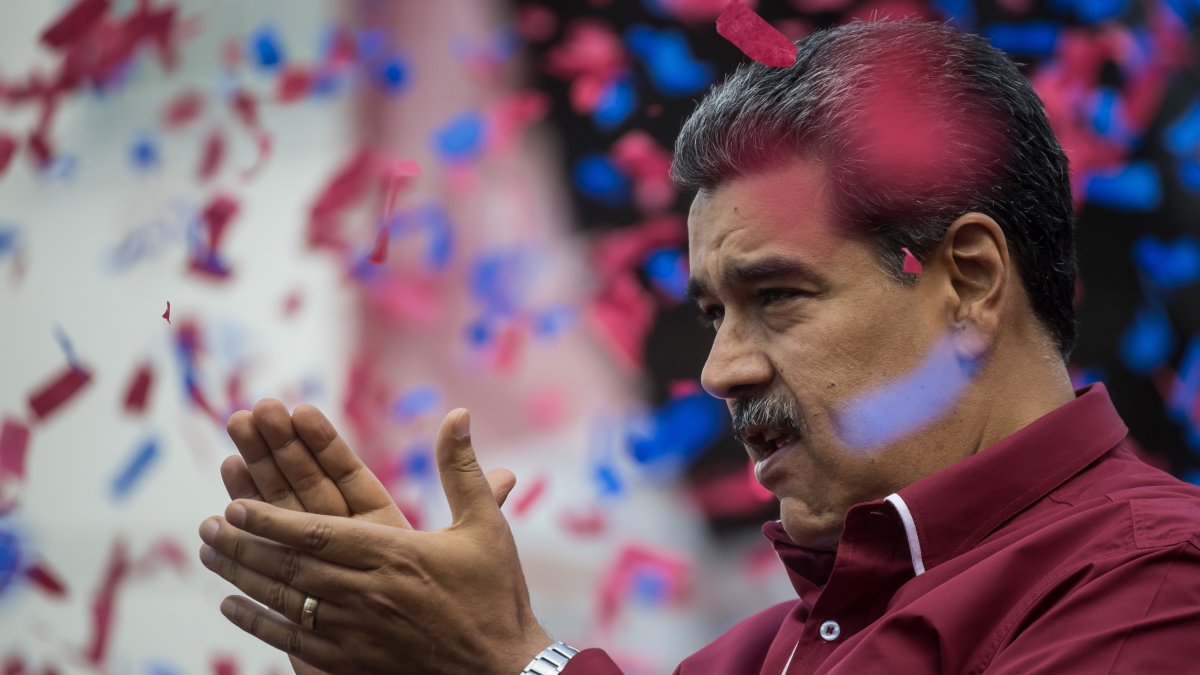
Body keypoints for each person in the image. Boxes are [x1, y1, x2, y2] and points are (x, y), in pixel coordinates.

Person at [197, 20, 1200, 674]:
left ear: (971, 278)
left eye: (778, 296)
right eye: (712, 313)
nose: (721, 370)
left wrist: (513, 662)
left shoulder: (1155, 582)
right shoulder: (767, 648)